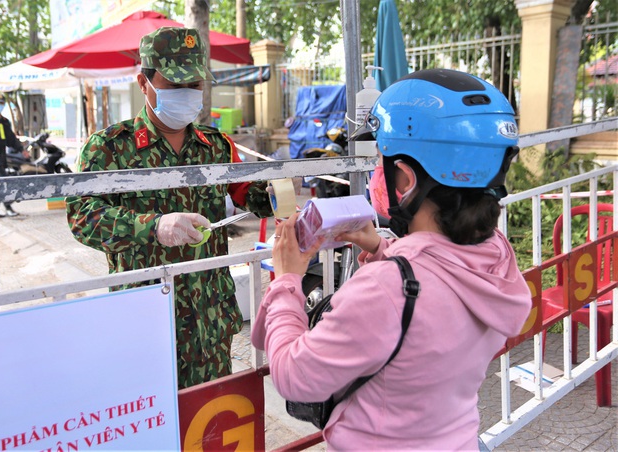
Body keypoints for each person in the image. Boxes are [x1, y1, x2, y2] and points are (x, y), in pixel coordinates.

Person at [252, 69, 532, 449]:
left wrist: (287, 280)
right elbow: (438, 282)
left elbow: (292, 375)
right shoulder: (496, 255)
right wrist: (384, 249)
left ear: (404, 178)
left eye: (380, 157)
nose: (374, 173)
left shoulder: (386, 289)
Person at [66, 27, 273, 389]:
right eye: (175, 85)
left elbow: (249, 193)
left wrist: (279, 194)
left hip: (209, 318)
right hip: (145, 319)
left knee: (207, 424)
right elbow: (83, 217)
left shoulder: (216, 146)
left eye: (195, 85)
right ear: (143, 83)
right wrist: (153, 227)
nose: (187, 94)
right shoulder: (109, 149)